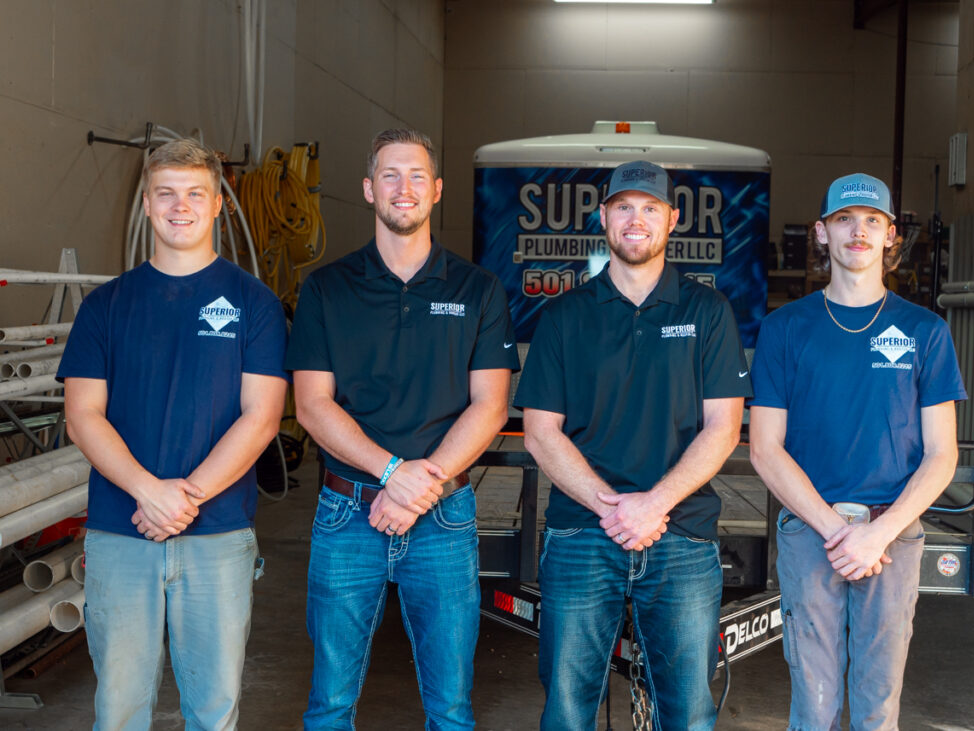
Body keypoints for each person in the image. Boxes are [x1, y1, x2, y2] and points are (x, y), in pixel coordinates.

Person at [286, 128, 518, 730]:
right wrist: (392, 473)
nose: (404, 188)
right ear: (369, 189)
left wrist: (421, 487)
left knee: (451, 708)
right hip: (346, 515)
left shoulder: (478, 290)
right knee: (330, 704)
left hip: (444, 516)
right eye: (390, 175)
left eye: (417, 176)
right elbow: (312, 405)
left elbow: (491, 406)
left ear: (437, 190)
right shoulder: (327, 289)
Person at [59, 138, 288, 730]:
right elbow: (83, 414)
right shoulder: (105, 306)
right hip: (121, 533)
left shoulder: (255, 304)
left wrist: (183, 499)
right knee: (119, 709)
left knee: (213, 711)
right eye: (166, 193)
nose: (179, 206)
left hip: (217, 535)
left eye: (195, 193)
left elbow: (261, 417)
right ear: (146, 203)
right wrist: (148, 491)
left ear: (218, 206)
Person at [515, 160, 751, 730]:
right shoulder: (564, 316)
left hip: (683, 535)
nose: (636, 219)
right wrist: (611, 506)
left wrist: (653, 504)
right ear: (603, 218)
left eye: (650, 208)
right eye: (624, 207)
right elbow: (540, 431)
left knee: (689, 711)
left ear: (672, 220)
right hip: (581, 533)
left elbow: (723, 427)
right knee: (568, 709)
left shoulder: (708, 313)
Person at [749, 172, 966, 730]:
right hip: (810, 532)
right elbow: (766, 449)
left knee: (877, 707)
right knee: (813, 707)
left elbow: (943, 454)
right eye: (844, 219)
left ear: (891, 235)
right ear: (822, 233)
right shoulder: (783, 329)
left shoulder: (925, 332)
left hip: (892, 537)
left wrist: (878, 532)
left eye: (873, 220)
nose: (859, 231)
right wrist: (834, 529)